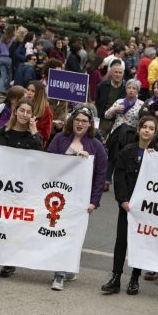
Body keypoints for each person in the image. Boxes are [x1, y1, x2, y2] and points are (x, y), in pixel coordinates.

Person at [0, 99, 43, 282]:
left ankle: (9, 260)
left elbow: (40, 156)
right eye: (21, 110)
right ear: (15, 112)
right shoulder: (0, 134)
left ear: (32, 116)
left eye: (28, 112)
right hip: (0, 188)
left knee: (14, 226)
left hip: (20, 190)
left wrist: (34, 132)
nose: (24, 114)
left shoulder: (32, 138)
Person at [101, 116, 158, 295]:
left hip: (146, 209)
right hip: (128, 206)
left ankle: (135, 278)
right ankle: (115, 278)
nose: (147, 131)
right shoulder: (127, 152)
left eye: (151, 128)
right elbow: (119, 177)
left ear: (155, 132)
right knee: (121, 241)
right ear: (139, 129)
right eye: (144, 127)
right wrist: (123, 201)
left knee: (140, 243)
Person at [46, 105, 107, 290]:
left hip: (80, 200)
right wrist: (73, 155)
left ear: (90, 125)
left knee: (72, 236)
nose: (80, 124)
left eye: (84, 121)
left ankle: (61, 272)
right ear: (72, 121)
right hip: (58, 196)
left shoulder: (96, 146)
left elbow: (100, 175)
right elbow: (49, 161)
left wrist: (94, 202)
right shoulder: (59, 139)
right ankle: (62, 269)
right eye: (77, 120)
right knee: (58, 234)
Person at [25, 80, 54, 148]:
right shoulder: (23, 105)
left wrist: (33, 129)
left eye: (33, 91)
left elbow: (46, 135)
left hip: (34, 146)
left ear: (39, 94)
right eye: (28, 90)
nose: (29, 93)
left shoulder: (46, 111)